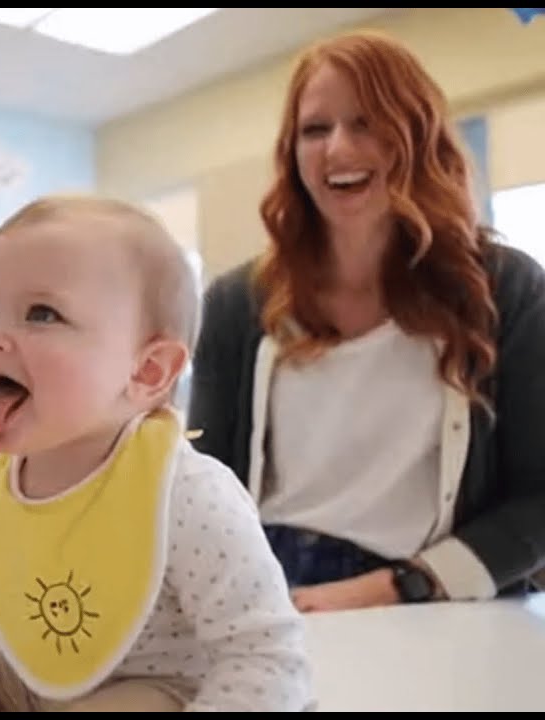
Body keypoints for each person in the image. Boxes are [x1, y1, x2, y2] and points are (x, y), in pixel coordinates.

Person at [0, 195, 314, 713]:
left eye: (42, 314)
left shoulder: (185, 494)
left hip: (153, 684)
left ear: (147, 371)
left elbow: (264, 652)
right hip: (19, 678)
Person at [188, 30, 545, 613]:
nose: (338, 149)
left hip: (427, 595)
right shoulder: (236, 302)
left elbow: (537, 500)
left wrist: (397, 587)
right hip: (267, 590)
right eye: (315, 129)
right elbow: (203, 493)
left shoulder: (507, 288)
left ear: (418, 135)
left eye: (366, 123)